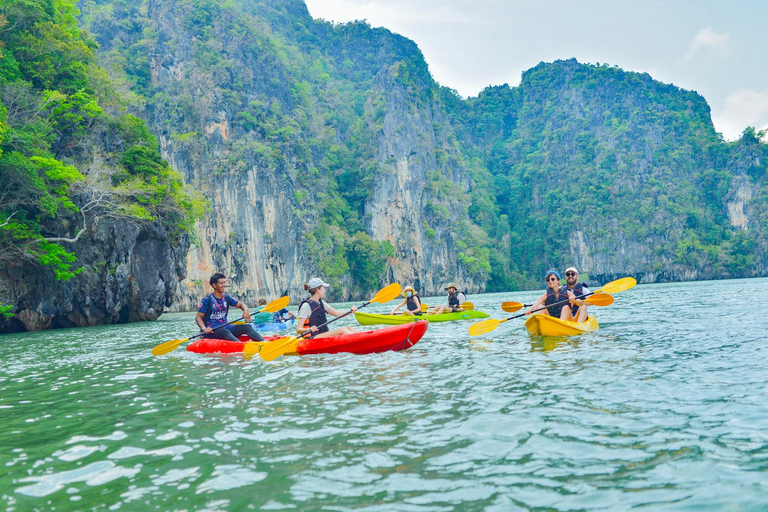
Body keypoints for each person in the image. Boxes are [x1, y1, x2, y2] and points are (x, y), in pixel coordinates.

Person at [196, 273, 263, 341]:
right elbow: (198, 317)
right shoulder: (207, 300)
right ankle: (241, 346)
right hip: (212, 330)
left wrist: (246, 311)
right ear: (214, 285)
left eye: (224, 283)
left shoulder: (226, 298)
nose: (224, 285)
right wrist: (204, 328)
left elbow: (241, 304)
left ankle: (263, 343)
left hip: (225, 326)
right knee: (225, 332)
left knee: (247, 327)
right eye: (221, 283)